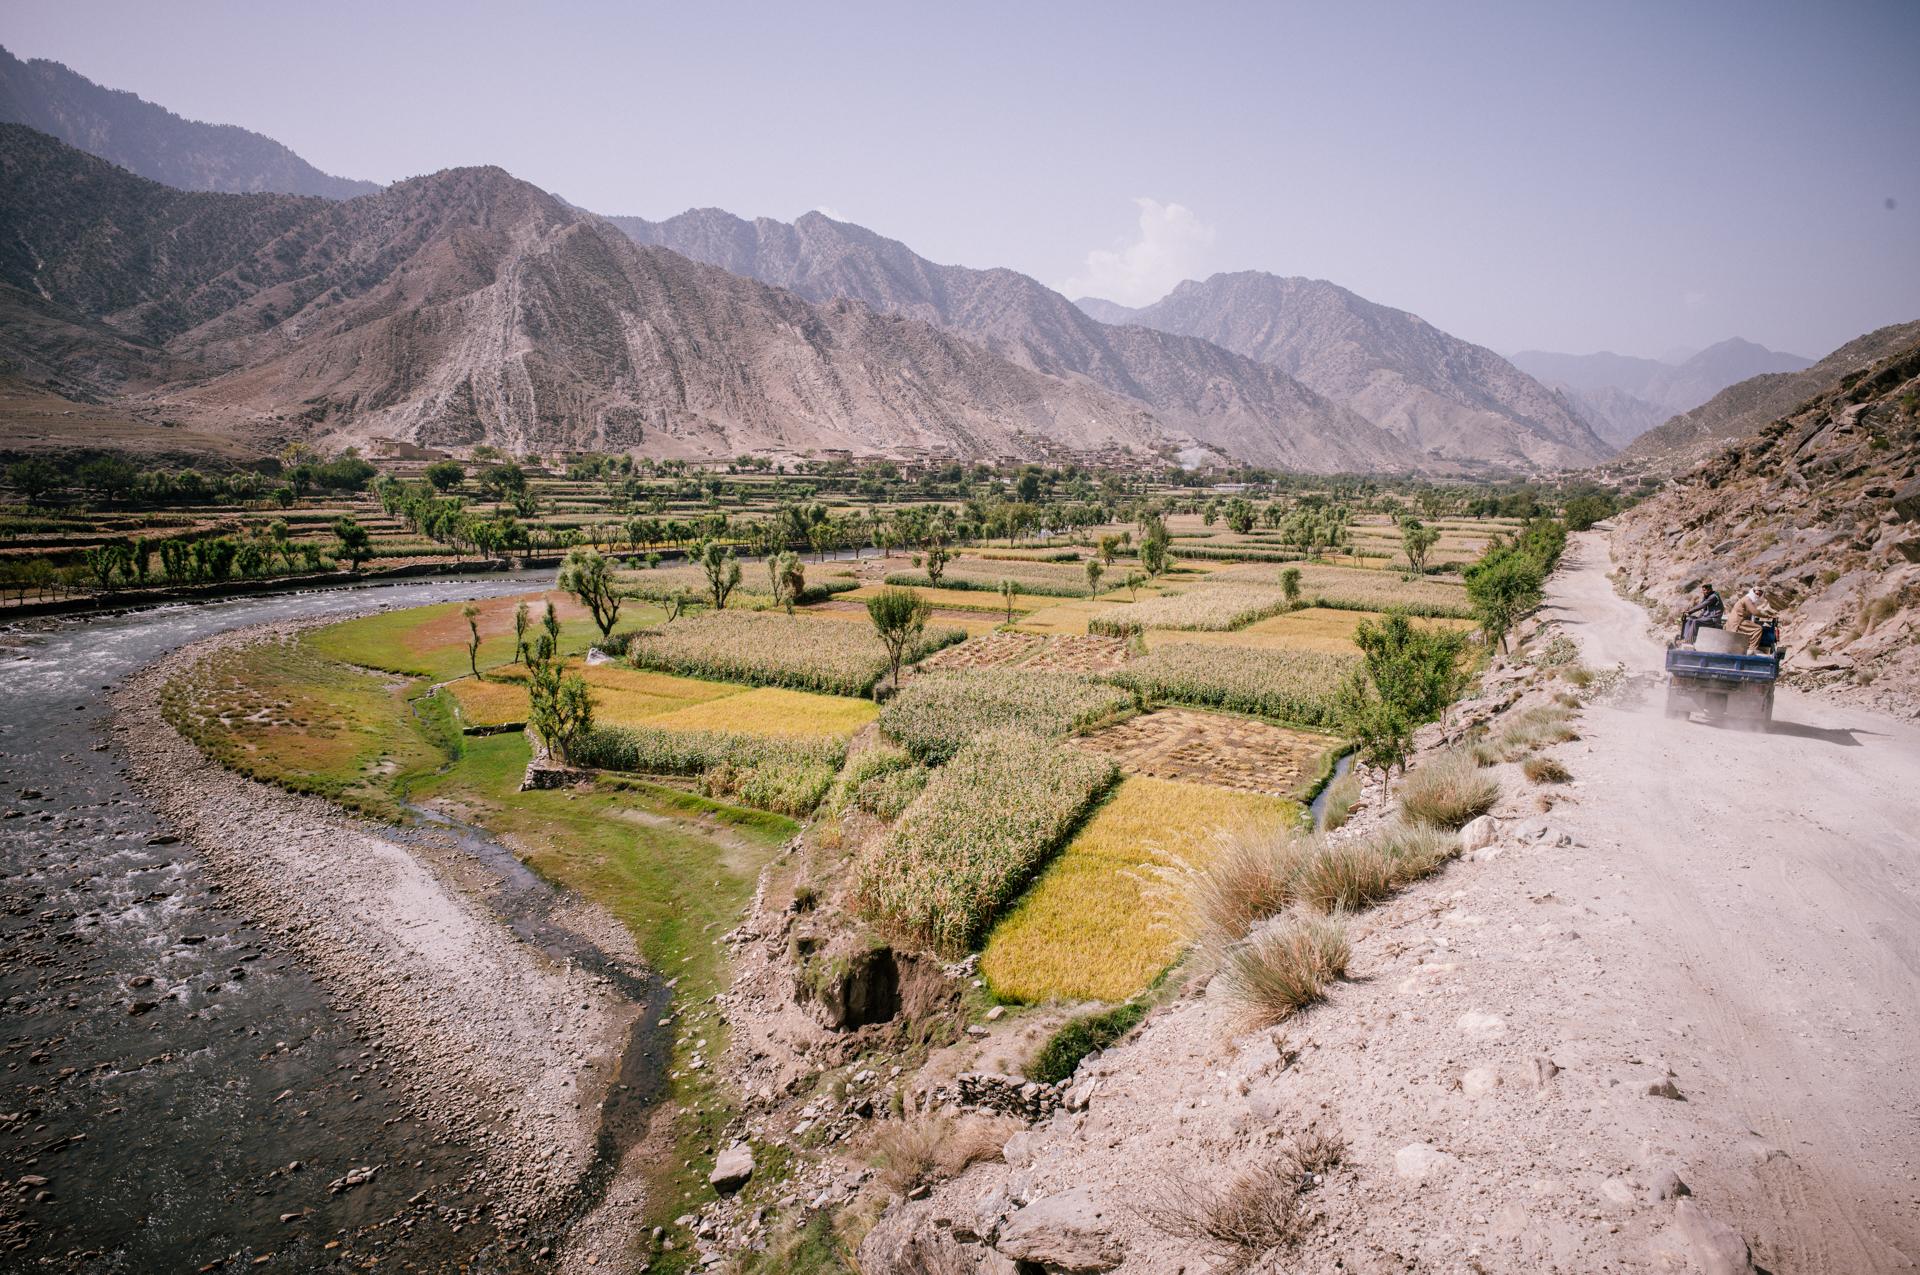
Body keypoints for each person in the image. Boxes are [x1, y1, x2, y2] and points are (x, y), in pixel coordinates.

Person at [1725, 587, 1767, 653]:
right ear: (1753, 592)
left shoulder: (1750, 600)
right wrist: (1768, 616)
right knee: (1758, 629)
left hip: (1738, 620)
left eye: (1760, 594)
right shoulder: (1747, 599)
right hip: (1738, 621)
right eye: (1757, 593)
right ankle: (1752, 649)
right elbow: (1755, 612)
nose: (1758, 595)